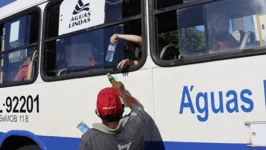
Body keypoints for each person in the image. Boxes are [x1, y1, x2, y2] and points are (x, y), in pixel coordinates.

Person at [78, 82, 156, 150]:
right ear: (122, 109)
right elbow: (138, 107)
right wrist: (121, 92)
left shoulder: (89, 138)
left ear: (97, 112)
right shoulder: (136, 122)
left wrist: (87, 142)